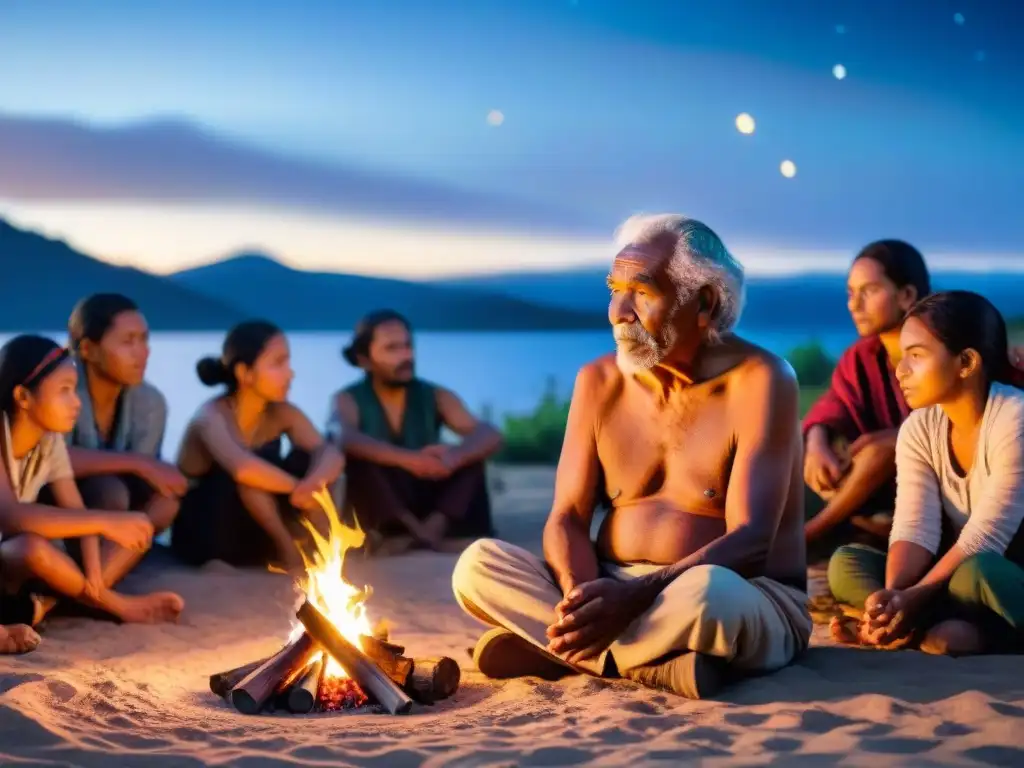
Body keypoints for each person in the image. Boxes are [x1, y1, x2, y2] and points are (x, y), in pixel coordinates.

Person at [452, 214, 811, 700]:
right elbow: (567, 519)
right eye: (613, 289)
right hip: (610, 585)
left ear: (703, 303)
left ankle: (567, 655)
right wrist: (585, 600)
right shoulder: (598, 381)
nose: (618, 311)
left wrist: (636, 596)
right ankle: (653, 665)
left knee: (710, 595)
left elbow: (751, 543)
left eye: (641, 292)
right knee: (476, 565)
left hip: (738, 593)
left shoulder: (763, 380)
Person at [827, 291, 1024, 655]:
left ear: (966, 362)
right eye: (903, 357)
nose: (901, 370)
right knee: (846, 563)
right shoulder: (919, 427)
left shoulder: (1014, 417)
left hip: (1000, 576)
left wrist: (914, 598)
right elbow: (914, 527)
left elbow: (987, 537)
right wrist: (893, 599)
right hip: (950, 580)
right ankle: (920, 630)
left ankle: (964, 634)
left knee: (978, 572)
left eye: (916, 356)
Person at [0, 335, 183, 643]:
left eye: (74, 389)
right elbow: (11, 516)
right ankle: (112, 606)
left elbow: (75, 509)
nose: (76, 402)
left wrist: (96, 580)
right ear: (23, 396)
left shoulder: (49, 441)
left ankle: (52, 605)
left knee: (34, 550)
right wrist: (107, 523)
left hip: (8, 574)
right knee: (27, 546)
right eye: (64, 391)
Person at [171, 321, 344, 572]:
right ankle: (288, 552)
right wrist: (298, 488)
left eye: (288, 362)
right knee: (252, 475)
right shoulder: (211, 417)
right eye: (278, 363)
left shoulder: (282, 413)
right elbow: (243, 469)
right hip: (208, 533)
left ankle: (322, 552)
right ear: (245, 373)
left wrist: (314, 484)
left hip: (254, 527)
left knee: (310, 461)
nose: (290, 373)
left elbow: (331, 452)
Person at [330, 310, 503, 553]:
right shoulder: (348, 399)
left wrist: (454, 457)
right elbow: (343, 437)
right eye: (392, 349)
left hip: (429, 493)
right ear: (364, 358)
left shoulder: (434, 395)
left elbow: (489, 434)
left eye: (407, 346)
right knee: (360, 460)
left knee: (471, 456)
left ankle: (429, 532)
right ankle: (416, 533)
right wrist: (409, 460)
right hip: (387, 501)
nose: (406, 356)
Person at [802, 241, 931, 548]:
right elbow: (833, 405)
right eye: (850, 292)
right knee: (796, 437)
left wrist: (899, 438)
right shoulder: (862, 356)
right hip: (876, 489)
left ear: (907, 295)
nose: (854, 304)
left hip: (930, 487)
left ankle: (810, 535)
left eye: (869, 290)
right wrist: (817, 442)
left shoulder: (943, 349)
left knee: (885, 449)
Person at [56, 294, 185, 576]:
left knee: (166, 502)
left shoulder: (150, 402)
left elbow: (146, 478)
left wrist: (150, 469)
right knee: (110, 492)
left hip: (120, 508)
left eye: (144, 340)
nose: (143, 352)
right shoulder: (60, 392)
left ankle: (96, 582)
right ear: (88, 349)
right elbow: (51, 461)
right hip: (55, 503)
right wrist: (138, 462)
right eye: (128, 342)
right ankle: (84, 583)